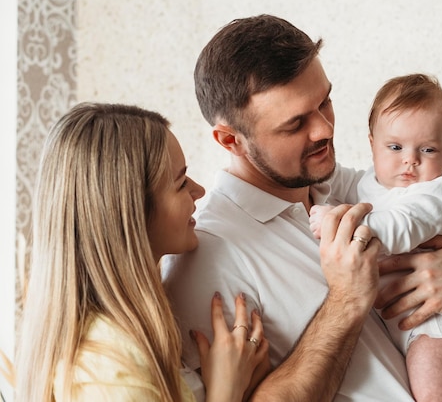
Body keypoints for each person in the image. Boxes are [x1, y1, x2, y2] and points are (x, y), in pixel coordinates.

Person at [162, 14, 442, 401]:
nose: (324, 128)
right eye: (295, 124)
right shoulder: (207, 259)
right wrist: (347, 301)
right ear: (230, 140)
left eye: (325, 101)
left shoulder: (354, 189)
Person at [14, 103, 270, 402]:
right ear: (132, 212)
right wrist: (225, 393)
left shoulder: (138, 326)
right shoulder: (109, 368)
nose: (199, 190)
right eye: (180, 183)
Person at [309, 73, 442, 401]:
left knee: (432, 392)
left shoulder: (435, 195)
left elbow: (400, 228)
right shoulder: (369, 182)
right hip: (395, 323)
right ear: (372, 144)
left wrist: (339, 222)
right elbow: (331, 179)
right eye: (395, 147)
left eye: (428, 149)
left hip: (433, 324)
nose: (410, 159)